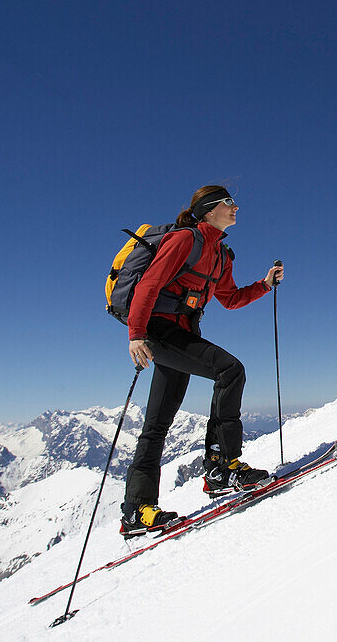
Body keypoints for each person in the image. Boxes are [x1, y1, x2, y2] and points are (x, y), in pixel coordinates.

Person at [119, 185, 284, 536]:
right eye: (229, 203)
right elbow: (149, 284)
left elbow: (230, 299)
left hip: (183, 337)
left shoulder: (222, 255)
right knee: (230, 370)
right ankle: (221, 467)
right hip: (159, 332)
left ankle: (136, 510)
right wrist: (136, 333)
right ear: (209, 210)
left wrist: (265, 284)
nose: (236, 207)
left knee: (156, 425)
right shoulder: (186, 240)